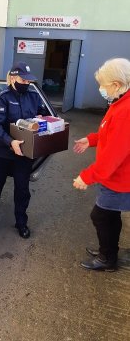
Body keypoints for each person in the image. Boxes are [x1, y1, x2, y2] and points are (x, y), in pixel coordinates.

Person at [73, 57, 130, 272]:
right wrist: (92, 140)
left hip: (120, 178)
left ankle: (108, 259)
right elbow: (110, 133)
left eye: (102, 85)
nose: (100, 89)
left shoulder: (126, 110)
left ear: (116, 85)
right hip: (115, 175)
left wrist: (86, 177)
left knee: (101, 215)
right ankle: (108, 250)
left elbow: (114, 155)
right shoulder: (120, 102)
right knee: (109, 214)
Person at [0, 61, 46, 238]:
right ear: (13, 78)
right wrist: (11, 142)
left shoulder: (33, 96)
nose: (27, 84)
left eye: (28, 81)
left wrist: (41, 117)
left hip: (23, 153)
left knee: (22, 189)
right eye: (23, 81)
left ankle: (21, 222)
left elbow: (41, 112)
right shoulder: (0, 98)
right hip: (2, 152)